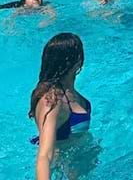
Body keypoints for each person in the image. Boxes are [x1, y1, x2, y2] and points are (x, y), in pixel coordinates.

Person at [29, 33, 91, 179]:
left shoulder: (73, 96)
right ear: (77, 61)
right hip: (64, 170)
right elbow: (45, 156)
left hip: (79, 167)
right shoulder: (53, 100)